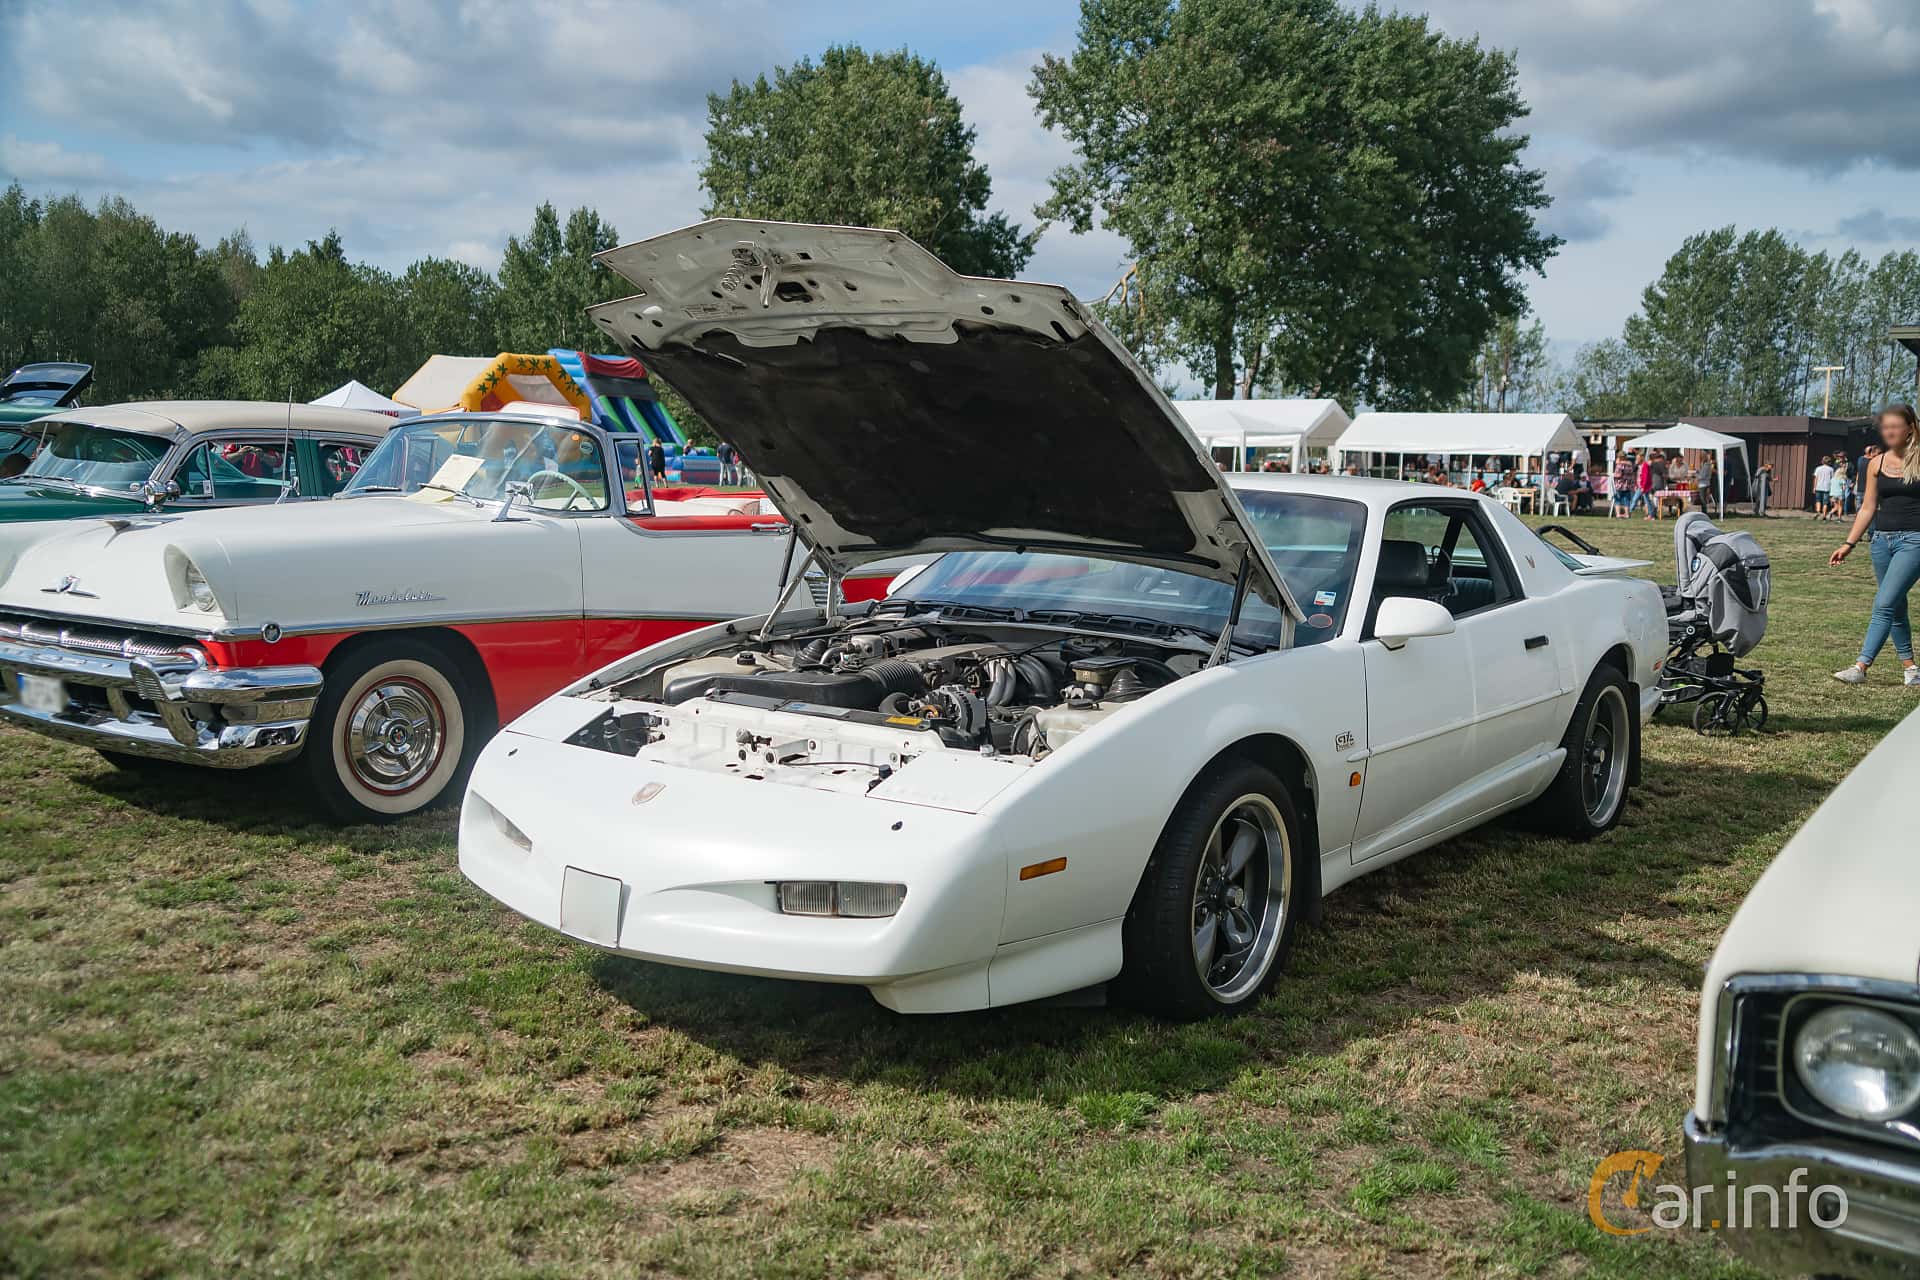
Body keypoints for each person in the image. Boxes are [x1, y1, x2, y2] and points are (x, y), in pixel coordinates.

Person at [1830, 405, 1920, 687]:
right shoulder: (1875, 463)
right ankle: (1911, 670)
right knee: (1895, 606)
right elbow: (1868, 507)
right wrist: (1849, 543)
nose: (1889, 431)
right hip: (1880, 540)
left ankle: (1861, 666)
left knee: (1884, 603)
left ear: (1910, 428)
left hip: (1914, 540)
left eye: (1895, 426)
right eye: (1885, 427)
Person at [1611, 451, 1635, 519]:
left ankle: (1618, 514)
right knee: (1627, 500)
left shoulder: (1619, 465)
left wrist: (1613, 475)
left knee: (1617, 499)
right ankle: (1627, 514)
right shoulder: (1630, 464)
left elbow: (1618, 475)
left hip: (1620, 485)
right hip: (1628, 485)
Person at [1813, 454, 1836, 518]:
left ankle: (1818, 511)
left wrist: (1814, 487)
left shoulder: (1818, 468)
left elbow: (1816, 478)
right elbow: (1832, 478)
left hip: (1818, 486)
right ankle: (1824, 515)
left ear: (1822, 461)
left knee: (1818, 500)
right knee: (1825, 502)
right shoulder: (1831, 469)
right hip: (1827, 487)